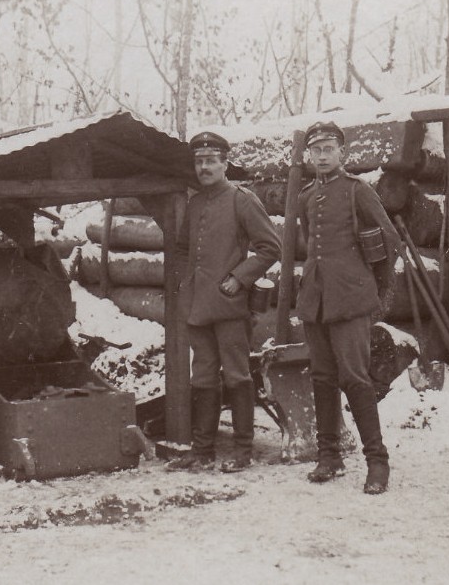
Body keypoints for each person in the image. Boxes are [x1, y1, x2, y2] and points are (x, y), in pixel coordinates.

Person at [296, 120, 400, 494]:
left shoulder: (358, 191)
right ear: (309, 155)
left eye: (328, 149)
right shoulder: (307, 196)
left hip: (351, 299)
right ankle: (330, 456)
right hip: (317, 301)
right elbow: (312, 245)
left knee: (355, 378)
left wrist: (375, 290)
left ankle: (377, 463)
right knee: (322, 377)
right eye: (316, 150)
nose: (322, 156)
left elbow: (389, 240)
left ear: (342, 153)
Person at [168, 131, 281, 473]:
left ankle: (243, 451)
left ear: (224, 164)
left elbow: (270, 247)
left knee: (236, 375)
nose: (204, 168)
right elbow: (184, 248)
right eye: (199, 162)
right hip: (198, 306)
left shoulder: (241, 199)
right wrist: (184, 283)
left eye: (210, 161)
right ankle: (202, 451)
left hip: (230, 305)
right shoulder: (196, 202)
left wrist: (238, 278)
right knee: (202, 375)